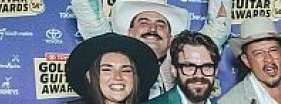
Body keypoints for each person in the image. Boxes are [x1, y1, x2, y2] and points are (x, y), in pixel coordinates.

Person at [71, 0, 231, 98]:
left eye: (161, 25)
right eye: (144, 23)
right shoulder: (112, 53)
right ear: (129, 32)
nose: (153, 29)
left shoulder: (183, 63)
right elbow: (88, 13)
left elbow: (219, 28)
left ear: (171, 39)